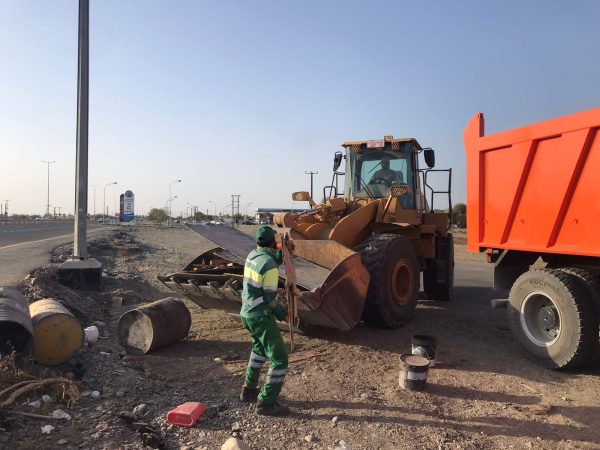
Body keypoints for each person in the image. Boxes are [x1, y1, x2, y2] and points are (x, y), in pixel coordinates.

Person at [239, 225, 290, 416]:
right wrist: (284, 314)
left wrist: (282, 251)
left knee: (259, 350)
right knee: (280, 358)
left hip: (247, 313)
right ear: (271, 242)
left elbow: (270, 259)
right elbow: (270, 299)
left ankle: (249, 390)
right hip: (260, 316)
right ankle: (266, 403)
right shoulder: (270, 266)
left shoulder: (253, 255)